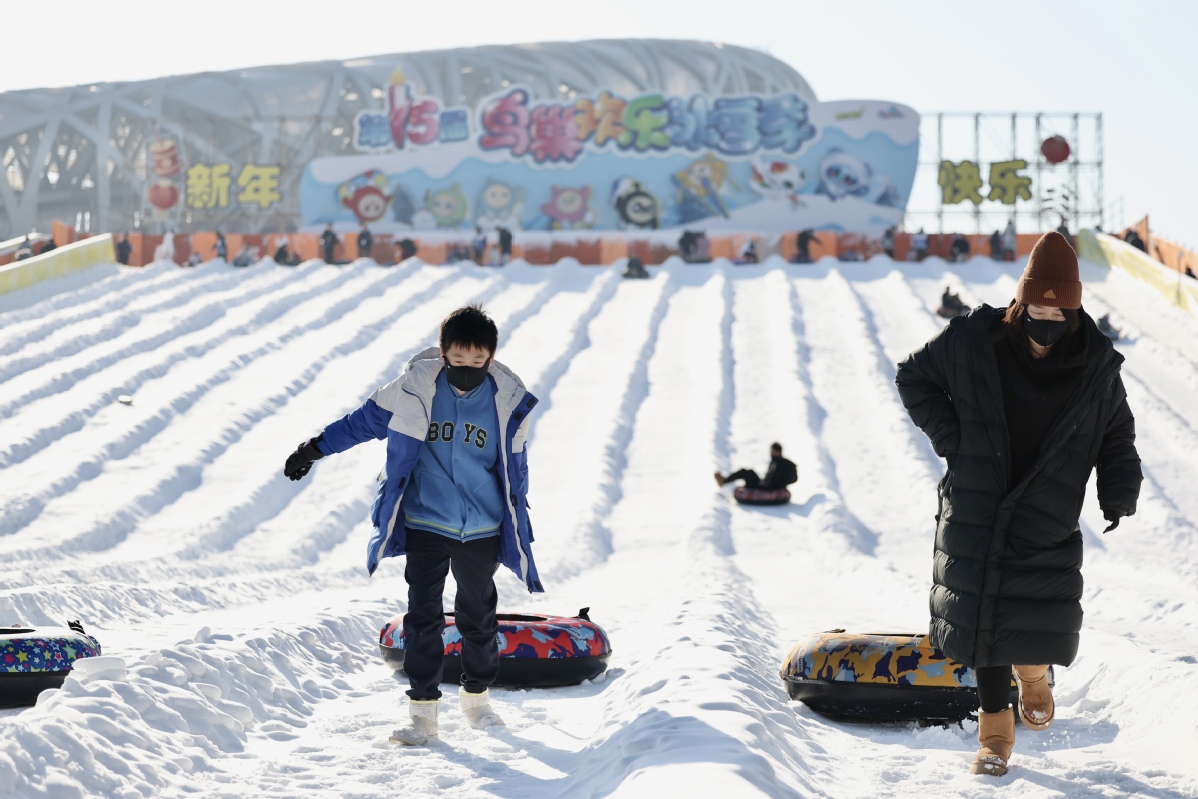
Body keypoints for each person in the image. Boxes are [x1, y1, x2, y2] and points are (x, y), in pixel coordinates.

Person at [894, 231, 1142, 777]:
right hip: (980, 499)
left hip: (1046, 506)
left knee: (1031, 612)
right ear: (1020, 303)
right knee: (984, 621)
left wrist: (1119, 489)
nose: (1045, 324)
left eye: (1058, 315)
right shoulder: (974, 339)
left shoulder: (1095, 367)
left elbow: (1117, 435)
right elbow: (913, 377)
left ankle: (1033, 674)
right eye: (1036, 311)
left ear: (1074, 312)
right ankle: (995, 740)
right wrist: (954, 441)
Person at [282, 305, 540, 746]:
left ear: (491, 357)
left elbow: (515, 468)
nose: (467, 369)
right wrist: (313, 449)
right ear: (443, 353)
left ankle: (477, 702)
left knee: (477, 618)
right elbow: (361, 423)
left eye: (478, 361)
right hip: (426, 519)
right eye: (458, 360)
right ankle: (422, 714)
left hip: (482, 524)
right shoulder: (412, 389)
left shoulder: (509, 400)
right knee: (422, 618)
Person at [714, 443, 798, 491]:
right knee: (748, 472)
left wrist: (777, 486)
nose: (773, 453)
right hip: (765, 485)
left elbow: (774, 479)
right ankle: (724, 481)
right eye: (772, 451)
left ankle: (724, 481)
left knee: (746, 473)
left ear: (779, 452)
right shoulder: (776, 461)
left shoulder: (780, 463)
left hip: (766, 488)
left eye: (776, 451)